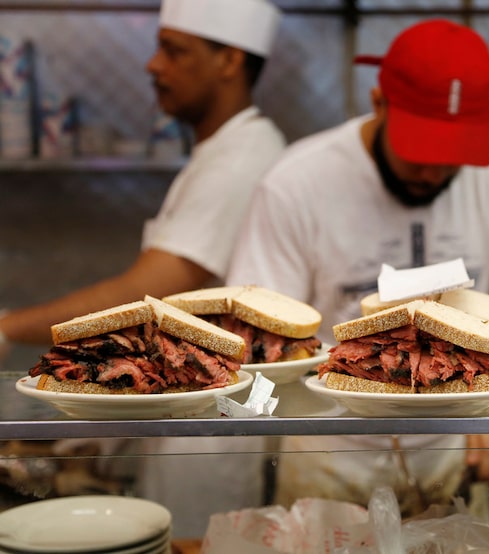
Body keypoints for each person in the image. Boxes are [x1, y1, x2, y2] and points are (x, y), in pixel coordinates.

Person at [227, 19, 489, 515]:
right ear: (380, 103)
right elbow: (254, 334)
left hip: (456, 465)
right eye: (420, 152)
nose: (433, 173)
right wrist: (256, 417)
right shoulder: (297, 184)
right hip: (328, 464)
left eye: (452, 158)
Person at [0, 0, 285, 538]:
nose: (153, 65)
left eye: (174, 50)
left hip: (213, 430)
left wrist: (9, 326)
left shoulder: (241, 160)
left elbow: (148, 292)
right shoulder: (222, 152)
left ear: (229, 61)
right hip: (189, 410)